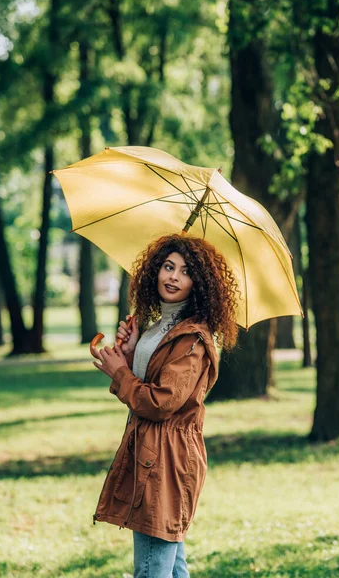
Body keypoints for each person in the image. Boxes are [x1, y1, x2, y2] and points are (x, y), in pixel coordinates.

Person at [91, 233, 239, 578]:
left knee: (152, 568)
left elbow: (161, 402)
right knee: (171, 566)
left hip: (168, 456)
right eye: (168, 266)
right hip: (152, 449)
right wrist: (129, 357)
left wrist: (120, 373)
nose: (173, 276)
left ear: (199, 283)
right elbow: (150, 383)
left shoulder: (192, 338)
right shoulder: (161, 326)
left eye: (185, 271)